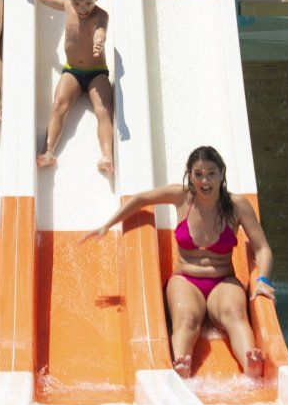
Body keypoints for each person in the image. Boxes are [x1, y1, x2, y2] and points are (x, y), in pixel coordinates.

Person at [82, 146, 274, 379]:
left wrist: (263, 279)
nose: (205, 180)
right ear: (190, 175)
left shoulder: (236, 205)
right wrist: (107, 224)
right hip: (186, 280)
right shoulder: (182, 197)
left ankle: (250, 362)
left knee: (234, 313)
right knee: (185, 318)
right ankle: (182, 364)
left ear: (222, 173)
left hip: (223, 281)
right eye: (198, 174)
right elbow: (141, 199)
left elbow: (262, 248)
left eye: (211, 173)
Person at [28, 0, 113, 180]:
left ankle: (107, 156)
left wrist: (99, 41)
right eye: (77, 3)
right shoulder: (67, 6)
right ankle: (48, 152)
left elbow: (100, 30)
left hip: (96, 72)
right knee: (58, 105)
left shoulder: (101, 15)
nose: (82, 9)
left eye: (88, 2)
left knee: (103, 109)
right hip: (72, 70)